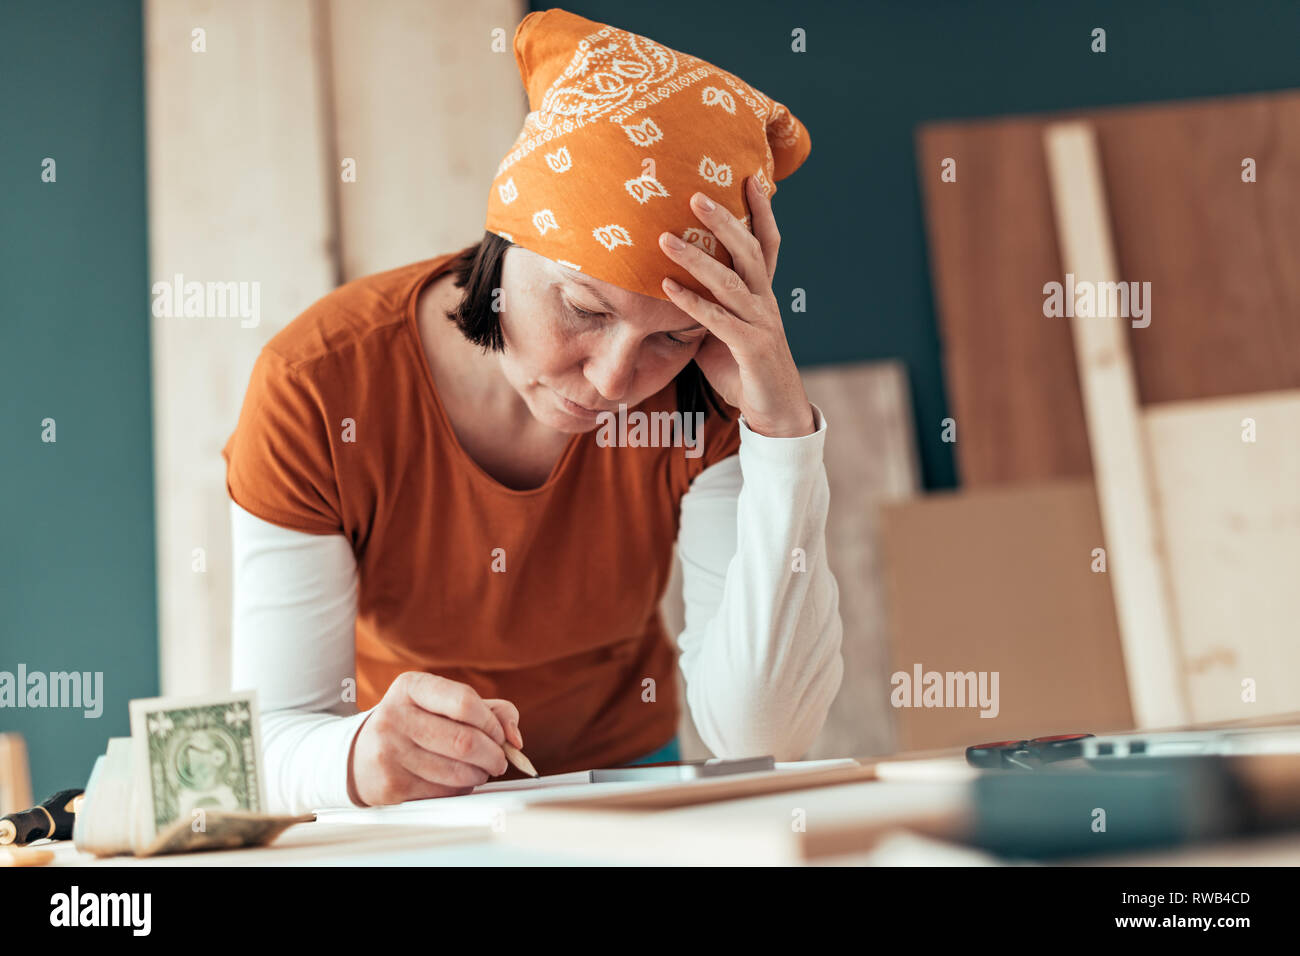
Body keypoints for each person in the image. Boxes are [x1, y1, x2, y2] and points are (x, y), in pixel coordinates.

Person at [223, 8, 843, 814]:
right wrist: (355, 756)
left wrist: (782, 434)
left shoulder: (704, 397)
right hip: (401, 803)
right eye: (584, 309)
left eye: (677, 335)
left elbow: (763, 738)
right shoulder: (317, 386)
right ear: (507, 245)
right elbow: (269, 739)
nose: (618, 381)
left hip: (628, 785)